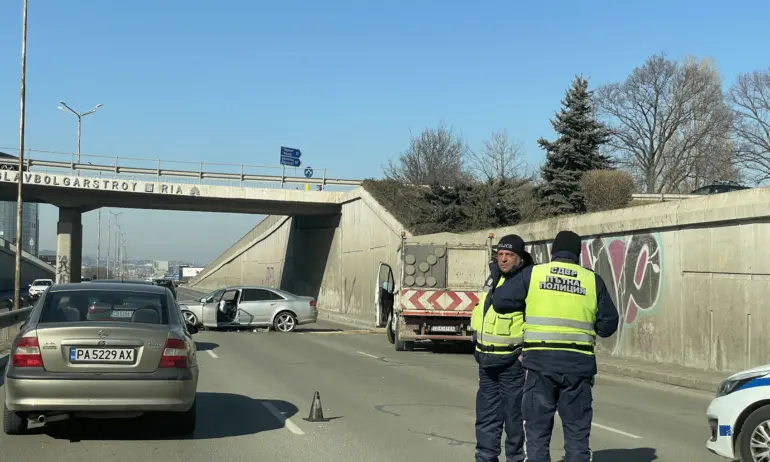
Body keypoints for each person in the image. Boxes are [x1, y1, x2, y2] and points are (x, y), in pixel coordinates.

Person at [493, 230, 619, 462]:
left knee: (537, 433)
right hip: (578, 369)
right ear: (578, 254)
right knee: (577, 436)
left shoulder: (535, 274)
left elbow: (499, 302)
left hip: (540, 366)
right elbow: (608, 325)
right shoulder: (592, 279)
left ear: (552, 252)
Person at [470, 234, 533, 462]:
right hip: (486, 361)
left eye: (509, 255)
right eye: (500, 255)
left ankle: (516, 459)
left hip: (512, 365)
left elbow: (534, 320)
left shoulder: (527, 280)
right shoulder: (493, 278)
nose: (504, 259)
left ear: (520, 258)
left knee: (514, 419)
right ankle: (485, 458)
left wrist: (524, 353)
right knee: (486, 417)